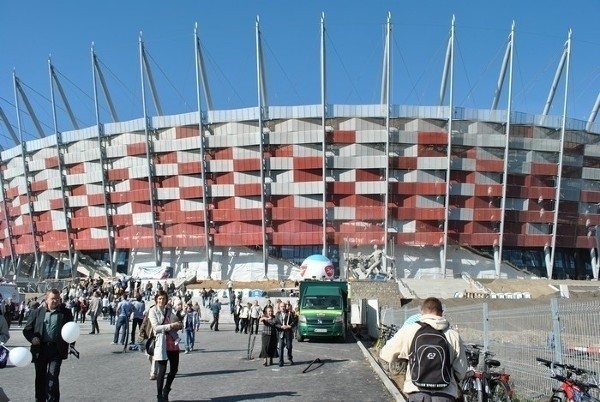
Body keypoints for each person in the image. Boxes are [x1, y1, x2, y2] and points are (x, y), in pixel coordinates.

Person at [380, 297, 467, 402]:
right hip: (445, 395)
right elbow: (461, 371)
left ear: (421, 311)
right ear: (442, 312)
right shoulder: (453, 335)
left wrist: (404, 360)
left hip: (417, 393)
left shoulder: (409, 330)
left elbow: (385, 353)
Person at [22, 288, 74, 402]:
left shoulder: (65, 313)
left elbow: (72, 330)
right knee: (40, 378)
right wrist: (32, 338)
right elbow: (27, 330)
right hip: (40, 350)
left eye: (57, 299)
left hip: (56, 350)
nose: (55, 301)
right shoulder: (37, 312)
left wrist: (72, 344)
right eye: (52, 299)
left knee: (52, 378)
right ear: (46, 299)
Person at [149, 290, 183, 402]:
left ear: (166, 300)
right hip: (161, 342)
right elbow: (156, 328)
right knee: (162, 370)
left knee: (174, 369)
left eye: (163, 299)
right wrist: (171, 325)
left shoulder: (169, 310)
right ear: (156, 299)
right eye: (159, 299)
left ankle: (166, 389)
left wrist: (178, 323)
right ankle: (159, 396)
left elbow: (175, 320)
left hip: (172, 341)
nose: (161, 301)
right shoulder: (152, 311)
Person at [275, 302, 297, 367]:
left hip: (288, 332)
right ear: (279, 307)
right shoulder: (277, 314)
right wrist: (281, 326)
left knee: (289, 346)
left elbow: (294, 321)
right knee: (281, 347)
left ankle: (290, 358)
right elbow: (276, 323)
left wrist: (290, 326)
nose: (283, 308)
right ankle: (281, 361)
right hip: (281, 332)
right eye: (281, 306)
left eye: (284, 306)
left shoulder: (290, 313)